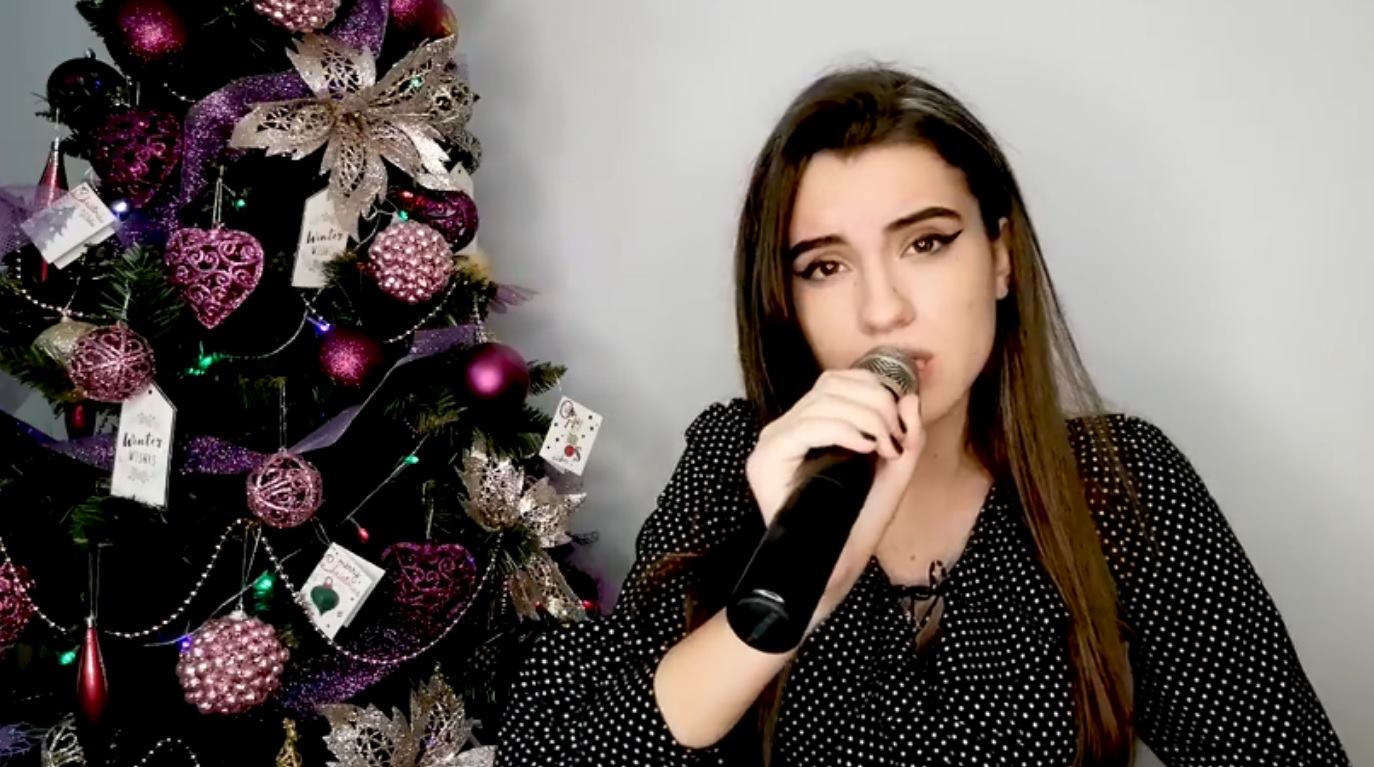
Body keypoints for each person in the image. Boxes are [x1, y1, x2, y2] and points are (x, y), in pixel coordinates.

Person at [495, 66, 1349, 766]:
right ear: (787, 301)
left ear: (1001, 259)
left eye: (927, 243)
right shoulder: (735, 460)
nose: (883, 310)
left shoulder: (1117, 483)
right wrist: (794, 594)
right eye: (826, 266)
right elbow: (563, 750)